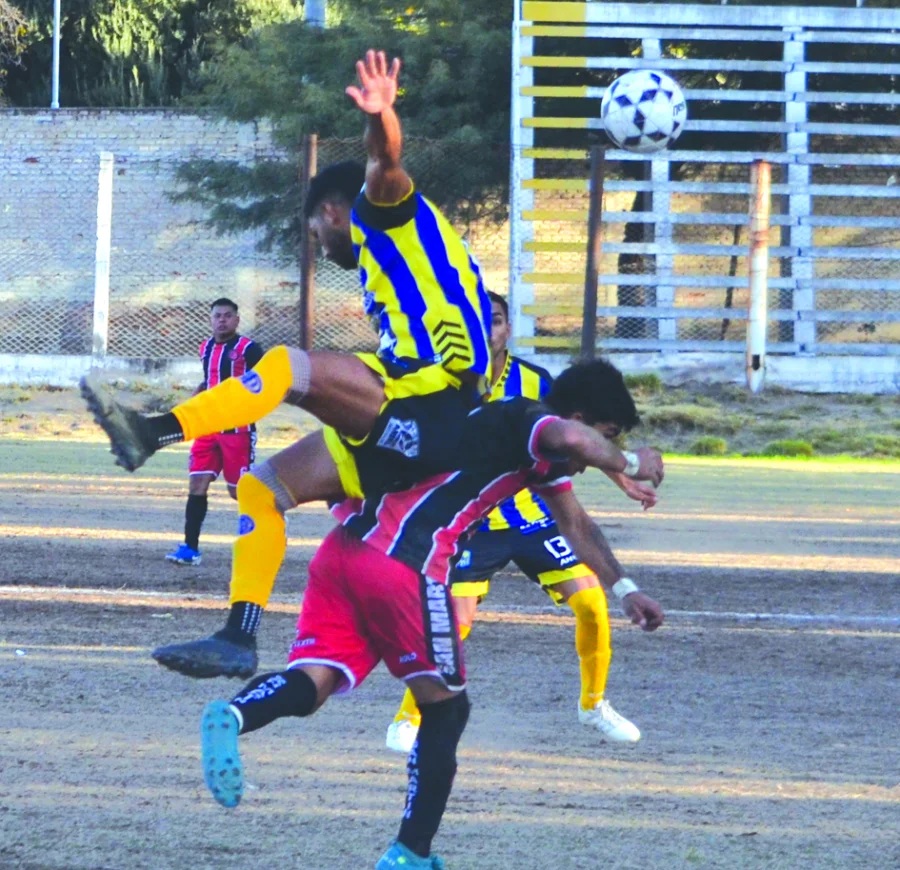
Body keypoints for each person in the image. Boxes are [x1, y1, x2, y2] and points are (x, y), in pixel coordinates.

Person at [81, 49, 494, 676]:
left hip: (433, 402)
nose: (321, 247)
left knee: (288, 368)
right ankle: (238, 638)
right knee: (261, 487)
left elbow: (384, 163)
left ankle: (153, 431)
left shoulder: (381, 217)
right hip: (413, 416)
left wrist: (382, 115)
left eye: (313, 234)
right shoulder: (392, 259)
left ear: (332, 213)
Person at [198, 356, 665, 870]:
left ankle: (234, 716)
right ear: (578, 415)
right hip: (403, 563)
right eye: (609, 432)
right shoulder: (527, 418)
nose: (599, 453)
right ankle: (410, 855)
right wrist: (632, 463)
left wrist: (623, 587)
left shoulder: (525, 443)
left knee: (316, 679)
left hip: (344, 553)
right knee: (447, 710)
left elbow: (576, 523)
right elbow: (575, 442)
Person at [385, 292, 652, 754]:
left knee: (591, 602)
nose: (489, 329)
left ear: (509, 328)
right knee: (456, 621)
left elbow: (579, 434)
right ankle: (408, 718)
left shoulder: (536, 381)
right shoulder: (446, 377)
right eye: (479, 321)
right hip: (472, 522)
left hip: (532, 512)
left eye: (497, 320)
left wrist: (620, 477)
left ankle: (594, 705)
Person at [165, 298, 263, 566]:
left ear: (237, 320)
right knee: (197, 484)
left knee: (239, 492)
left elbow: (267, 382)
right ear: (210, 320)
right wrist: (193, 401)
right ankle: (190, 548)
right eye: (217, 316)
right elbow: (210, 380)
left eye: (227, 316)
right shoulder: (205, 348)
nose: (222, 320)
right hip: (208, 427)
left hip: (237, 430)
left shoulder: (249, 349)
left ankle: (266, 529)